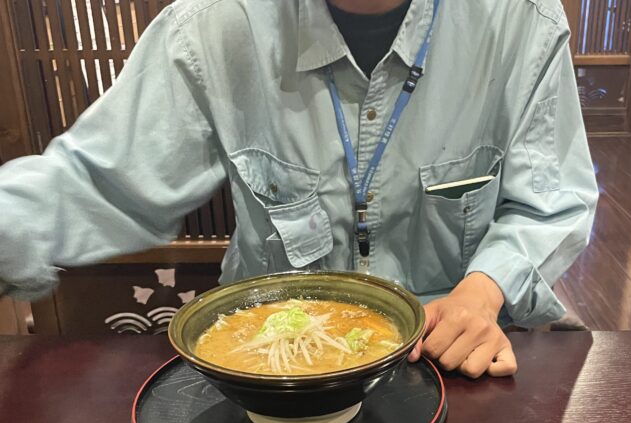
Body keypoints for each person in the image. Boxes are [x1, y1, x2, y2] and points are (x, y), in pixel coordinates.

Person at [0, 0, 597, 377]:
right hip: (263, 368)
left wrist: (484, 291)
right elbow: (95, 182)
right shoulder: (215, 25)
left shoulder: (521, 21)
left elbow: (552, 202)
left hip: (448, 356)